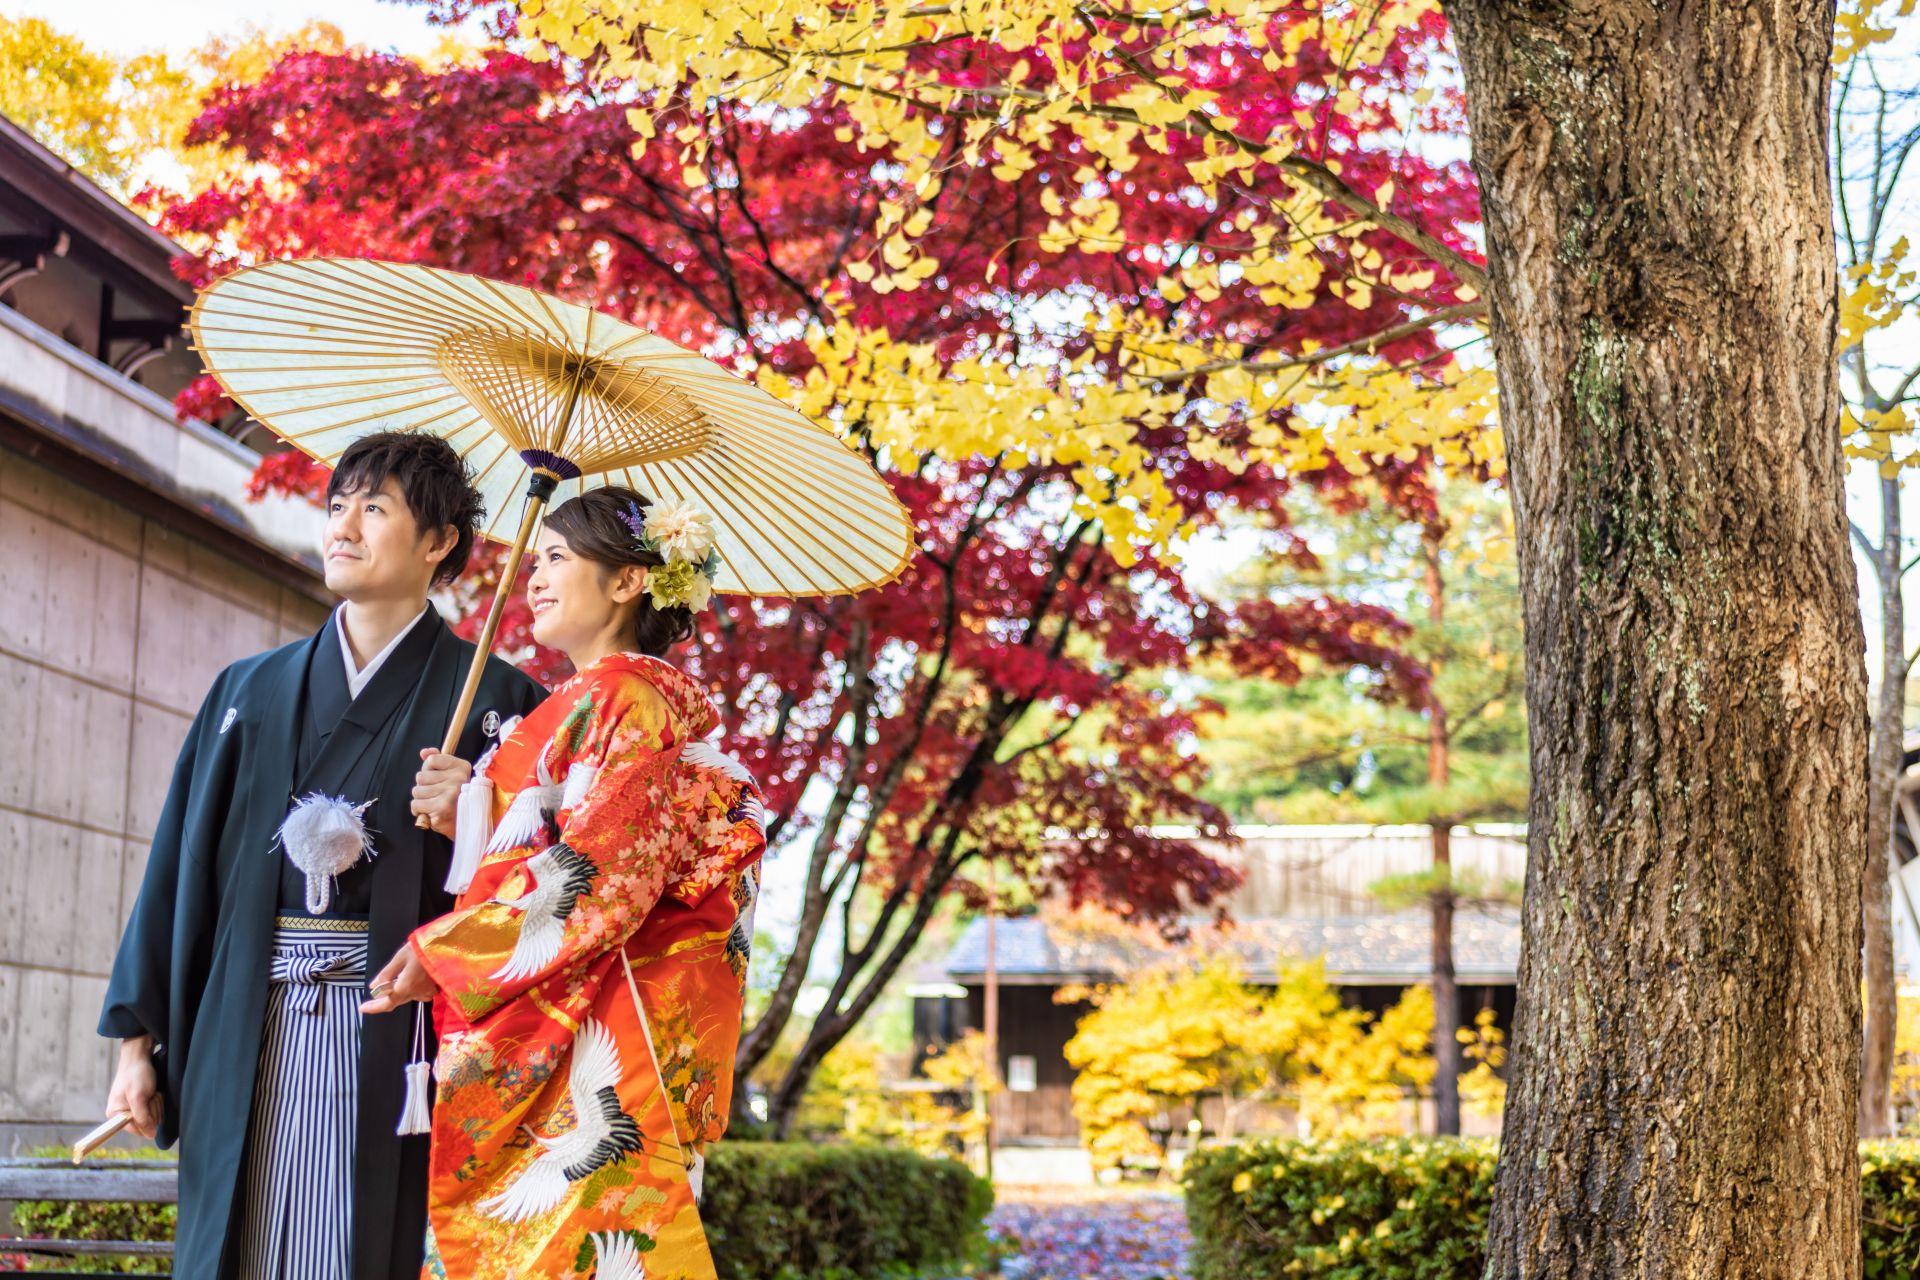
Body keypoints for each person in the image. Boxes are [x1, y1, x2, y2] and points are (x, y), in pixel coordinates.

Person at [98, 431, 548, 1280]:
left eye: (374, 508)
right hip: (248, 1021)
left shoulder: (503, 704)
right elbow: (178, 869)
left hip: (404, 1038)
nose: (342, 525)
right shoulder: (248, 690)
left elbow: (545, 898)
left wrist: (477, 822)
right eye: (338, 504)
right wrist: (137, 1047)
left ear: (438, 541)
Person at [361, 486, 765, 1279]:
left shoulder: (626, 699)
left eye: (556, 558)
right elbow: (555, 842)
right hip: (586, 1016)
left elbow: (603, 876)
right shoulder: (589, 704)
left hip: (598, 1032)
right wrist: (468, 811)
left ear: (626, 584)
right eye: (534, 558)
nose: (533, 578)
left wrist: (448, 954)